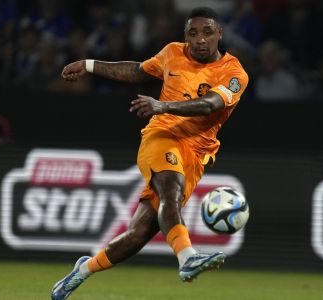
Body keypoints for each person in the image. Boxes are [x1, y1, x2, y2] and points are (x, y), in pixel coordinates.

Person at [51, 6, 249, 300]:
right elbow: (138, 70)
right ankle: (188, 258)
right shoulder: (172, 52)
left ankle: (83, 270)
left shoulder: (234, 73)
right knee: (171, 191)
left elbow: (210, 105)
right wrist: (90, 64)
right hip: (161, 135)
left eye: (207, 32)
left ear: (219, 33)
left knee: (139, 233)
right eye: (192, 33)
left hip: (196, 153)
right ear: (185, 36)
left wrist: (162, 104)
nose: (200, 40)